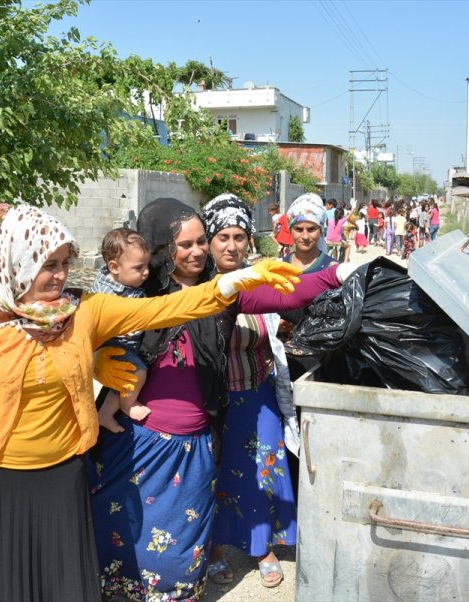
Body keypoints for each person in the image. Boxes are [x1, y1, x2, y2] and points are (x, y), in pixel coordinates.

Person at [0, 204, 300, 602]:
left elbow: (165, 308)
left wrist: (232, 282)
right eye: (48, 265)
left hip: (62, 473)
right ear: (18, 263)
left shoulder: (84, 311)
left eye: (65, 263)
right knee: (7, 581)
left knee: (63, 579)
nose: (60, 275)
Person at [89, 197, 321, 600]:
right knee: (125, 536)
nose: (198, 251)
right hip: (138, 445)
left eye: (202, 242)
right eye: (186, 244)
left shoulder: (221, 291)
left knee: (181, 550)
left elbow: (287, 295)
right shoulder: (138, 294)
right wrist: (96, 362)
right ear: (163, 247)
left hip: (194, 442)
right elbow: (77, 334)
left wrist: (342, 274)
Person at [201, 194, 354, 589]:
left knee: (265, 470)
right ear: (210, 241)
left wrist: (341, 274)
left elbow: (292, 295)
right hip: (217, 400)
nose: (232, 245)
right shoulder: (200, 289)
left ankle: (261, 546)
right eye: (222, 237)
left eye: (239, 236)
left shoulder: (259, 276)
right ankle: (216, 549)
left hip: (260, 391)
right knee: (217, 475)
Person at [90, 228, 152, 433]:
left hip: (124, 345)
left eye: (147, 265)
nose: (146, 272)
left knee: (120, 381)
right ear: (114, 267)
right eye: (138, 267)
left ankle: (105, 414)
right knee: (137, 374)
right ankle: (127, 406)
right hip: (114, 345)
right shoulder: (109, 295)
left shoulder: (118, 281)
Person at [284, 193, 335, 274]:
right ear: (290, 231)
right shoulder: (280, 268)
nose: (305, 236)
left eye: (311, 229)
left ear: (321, 231)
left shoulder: (332, 270)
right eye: (299, 229)